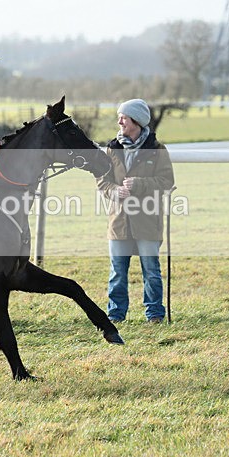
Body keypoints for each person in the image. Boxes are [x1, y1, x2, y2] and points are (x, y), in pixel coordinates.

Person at [96, 99, 174, 323]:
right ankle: (116, 315)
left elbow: (167, 182)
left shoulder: (157, 150)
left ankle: (155, 314)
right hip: (119, 222)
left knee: (151, 271)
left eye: (124, 117)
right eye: (120, 116)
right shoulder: (112, 148)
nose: (119, 121)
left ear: (137, 121)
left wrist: (139, 184)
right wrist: (114, 190)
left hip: (148, 221)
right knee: (117, 273)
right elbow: (102, 181)